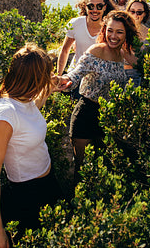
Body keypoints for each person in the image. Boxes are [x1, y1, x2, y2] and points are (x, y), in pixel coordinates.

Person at [0, 44, 66, 248]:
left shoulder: (24, 99)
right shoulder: (5, 114)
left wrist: (49, 89)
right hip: (28, 196)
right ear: (31, 80)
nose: (48, 79)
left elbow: (29, 112)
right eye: (45, 76)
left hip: (49, 183)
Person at [58, 11, 139, 182]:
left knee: (104, 170)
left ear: (126, 34)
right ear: (104, 30)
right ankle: (78, 207)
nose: (113, 36)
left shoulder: (122, 54)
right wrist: (64, 80)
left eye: (119, 32)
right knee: (82, 172)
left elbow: (144, 64)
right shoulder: (97, 50)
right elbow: (76, 73)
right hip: (86, 114)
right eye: (110, 30)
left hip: (107, 119)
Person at [57, 0, 117, 77]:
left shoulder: (110, 28)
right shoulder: (75, 23)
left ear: (105, 7)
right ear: (85, 7)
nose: (95, 10)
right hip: (76, 73)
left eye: (99, 6)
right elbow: (65, 50)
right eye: (91, 6)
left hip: (99, 76)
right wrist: (59, 76)